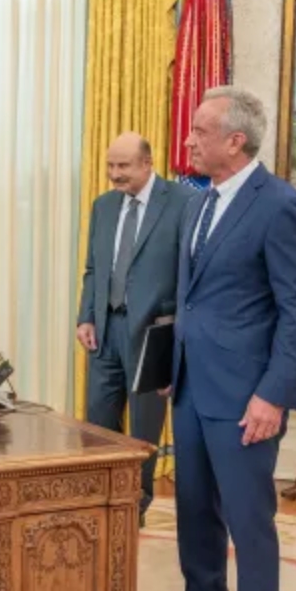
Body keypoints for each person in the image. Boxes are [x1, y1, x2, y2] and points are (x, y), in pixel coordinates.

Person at [158, 86, 296, 591]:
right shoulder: (199, 203)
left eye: (200, 130)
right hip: (193, 387)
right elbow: (194, 297)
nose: (189, 140)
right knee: (193, 513)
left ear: (235, 140)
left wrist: (273, 395)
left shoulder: (281, 206)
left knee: (249, 522)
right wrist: (174, 361)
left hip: (247, 398)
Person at [76, 132, 196, 524]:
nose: (114, 174)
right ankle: (99, 504)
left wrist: (179, 336)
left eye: (123, 166)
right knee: (98, 425)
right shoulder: (104, 206)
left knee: (143, 430)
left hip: (153, 334)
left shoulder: (184, 202)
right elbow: (94, 269)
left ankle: (134, 508)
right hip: (105, 332)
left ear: (147, 163)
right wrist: (86, 316)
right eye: (110, 165)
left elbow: (191, 274)